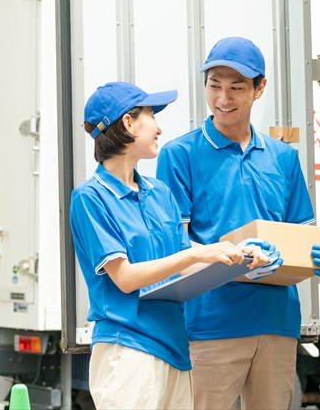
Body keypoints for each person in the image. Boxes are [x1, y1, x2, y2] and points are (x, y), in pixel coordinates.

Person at [156, 37, 320, 410]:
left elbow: (297, 238)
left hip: (276, 322)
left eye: (236, 88)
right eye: (215, 86)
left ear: (260, 88)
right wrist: (235, 258)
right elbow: (173, 244)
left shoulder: (283, 158)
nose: (223, 98)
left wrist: (315, 255)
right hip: (210, 325)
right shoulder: (180, 155)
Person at [69, 81, 273, 410]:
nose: (159, 128)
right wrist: (196, 252)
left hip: (176, 349)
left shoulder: (158, 193)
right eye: (152, 115)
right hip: (129, 350)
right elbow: (125, 277)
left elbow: (185, 263)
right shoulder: (91, 199)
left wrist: (235, 257)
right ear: (128, 122)